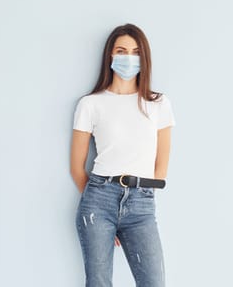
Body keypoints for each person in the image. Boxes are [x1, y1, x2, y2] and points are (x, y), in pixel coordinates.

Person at [70, 24, 175, 287]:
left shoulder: (159, 103)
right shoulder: (90, 104)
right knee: (99, 283)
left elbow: (161, 166)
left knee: (154, 283)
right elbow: (76, 167)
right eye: (121, 50)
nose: (129, 57)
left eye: (136, 52)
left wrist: (133, 203)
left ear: (144, 57)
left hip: (141, 204)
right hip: (98, 201)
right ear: (110, 56)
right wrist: (105, 207)